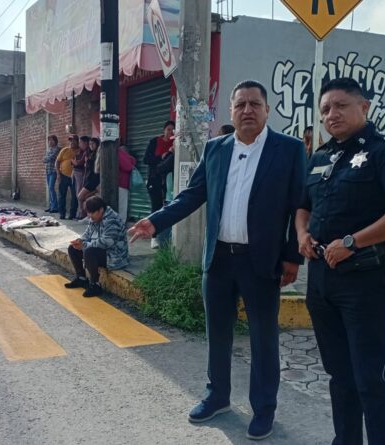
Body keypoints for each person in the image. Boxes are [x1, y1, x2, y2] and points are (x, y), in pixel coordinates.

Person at [127, 80, 306, 440]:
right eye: (240, 104)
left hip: (261, 261)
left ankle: (264, 408)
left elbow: (299, 204)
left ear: (267, 110)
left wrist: (292, 257)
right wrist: (156, 221)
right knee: (218, 333)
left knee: (263, 338)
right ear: (231, 111)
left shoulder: (288, 149)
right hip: (220, 258)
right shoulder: (216, 149)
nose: (247, 110)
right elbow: (191, 196)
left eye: (255, 104)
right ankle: (217, 396)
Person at [296, 78, 385, 445]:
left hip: (366, 282)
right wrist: (302, 234)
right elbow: (303, 206)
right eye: (325, 110)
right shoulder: (320, 157)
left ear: (364, 107)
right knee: (340, 376)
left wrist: (353, 242)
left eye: (340, 106)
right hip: (322, 281)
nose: (331, 115)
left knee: (371, 379)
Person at [65, 195, 129, 298]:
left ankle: (95, 284)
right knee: (72, 248)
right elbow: (88, 233)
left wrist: (84, 245)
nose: (90, 216)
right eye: (88, 213)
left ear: (100, 210)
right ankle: (81, 278)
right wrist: (80, 240)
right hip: (102, 252)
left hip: (115, 256)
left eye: (92, 213)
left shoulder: (112, 220)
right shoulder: (95, 217)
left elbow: (106, 242)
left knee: (89, 251)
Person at [143, 120, 175, 249]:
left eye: (173, 130)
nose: (170, 132)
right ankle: (154, 237)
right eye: (168, 129)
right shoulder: (155, 142)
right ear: (164, 130)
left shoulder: (176, 143)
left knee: (167, 208)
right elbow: (146, 159)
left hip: (169, 182)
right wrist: (161, 156)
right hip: (154, 180)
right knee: (155, 207)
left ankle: (166, 236)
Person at [77, 137, 101, 223]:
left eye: (93, 144)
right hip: (89, 178)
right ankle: (87, 216)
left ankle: (84, 215)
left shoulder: (98, 153)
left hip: (94, 179)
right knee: (87, 198)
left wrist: (88, 161)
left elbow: (95, 167)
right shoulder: (90, 153)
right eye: (90, 144)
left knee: (80, 196)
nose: (91, 146)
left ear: (97, 144)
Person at [56, 135, 79, 220]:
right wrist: (58, 174)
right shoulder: (65, 150)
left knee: (75, 196)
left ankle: (72, 215)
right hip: (63, 175)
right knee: (62, 195)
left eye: (74, 140)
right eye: (70, 140)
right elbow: (57, 162)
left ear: (77, 141)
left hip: (75, 177)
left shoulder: (80, 151)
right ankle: (62, 213)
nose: (72, 142)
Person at [117, 143, 137, 223]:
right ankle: (120, 225)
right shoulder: (119, 152)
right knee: (122, 207)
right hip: (121, 183)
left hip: (116, 184)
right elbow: (128, 167)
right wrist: (129, 158)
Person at [72, 136, 89, 219]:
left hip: (83, 174)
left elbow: (79, 163)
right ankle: (81, 213)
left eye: (80, 142)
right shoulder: (81, 151)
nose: (79, 144)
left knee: (80, 194)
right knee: (78, 193)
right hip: (79, 173)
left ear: (85, 143)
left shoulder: (87, 152)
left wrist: (73, 161)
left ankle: (82, 213)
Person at [43, 135, 61, 213]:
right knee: (50, 189)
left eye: (51, 140)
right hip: (48, 171)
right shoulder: (49, 150)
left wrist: (47, 158)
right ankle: (51, 206)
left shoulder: (57, 149)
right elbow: (44, 160)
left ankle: (55, 207)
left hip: (53, 171)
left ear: (55, 141)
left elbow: (51, 157)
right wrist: (47, 158)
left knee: (51, 188)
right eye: (49, 140)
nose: (50, 142)